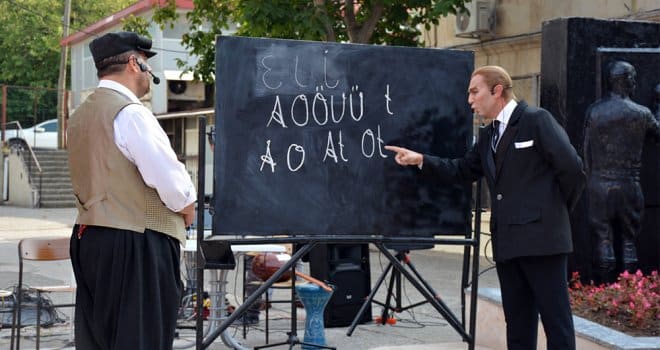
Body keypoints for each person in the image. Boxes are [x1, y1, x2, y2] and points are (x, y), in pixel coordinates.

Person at [385, 65, 585, 350]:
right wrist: (420, 159)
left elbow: (573, 171)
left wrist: (555, 214)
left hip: (544, 243)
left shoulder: (536, 120)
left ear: (498, 90)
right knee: (517, 326)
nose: (470, 100)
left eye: (474, 91)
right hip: (508, 245)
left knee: (557, 324)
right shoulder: (488, 134)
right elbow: (462, 170)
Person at [67, 32, 196, 349]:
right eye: (147, 65)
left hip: (90, 237)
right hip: (135, 241)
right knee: (140, 339)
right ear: (133, 62)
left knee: (99, 339)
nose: (149, 75)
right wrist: (188, 208)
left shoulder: (80, 115)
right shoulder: (131, 112)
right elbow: (170, 181)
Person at [583, 61, 660, 283]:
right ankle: (627, 287)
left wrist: (591, 181)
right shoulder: (642, 113)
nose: (635, 82)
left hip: (599, 185)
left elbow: (585, 150)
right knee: (629, 240)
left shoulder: (595, 111)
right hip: (629, 185)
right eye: (633, 78)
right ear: (625, 81)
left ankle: (603, 287)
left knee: (603, 238)